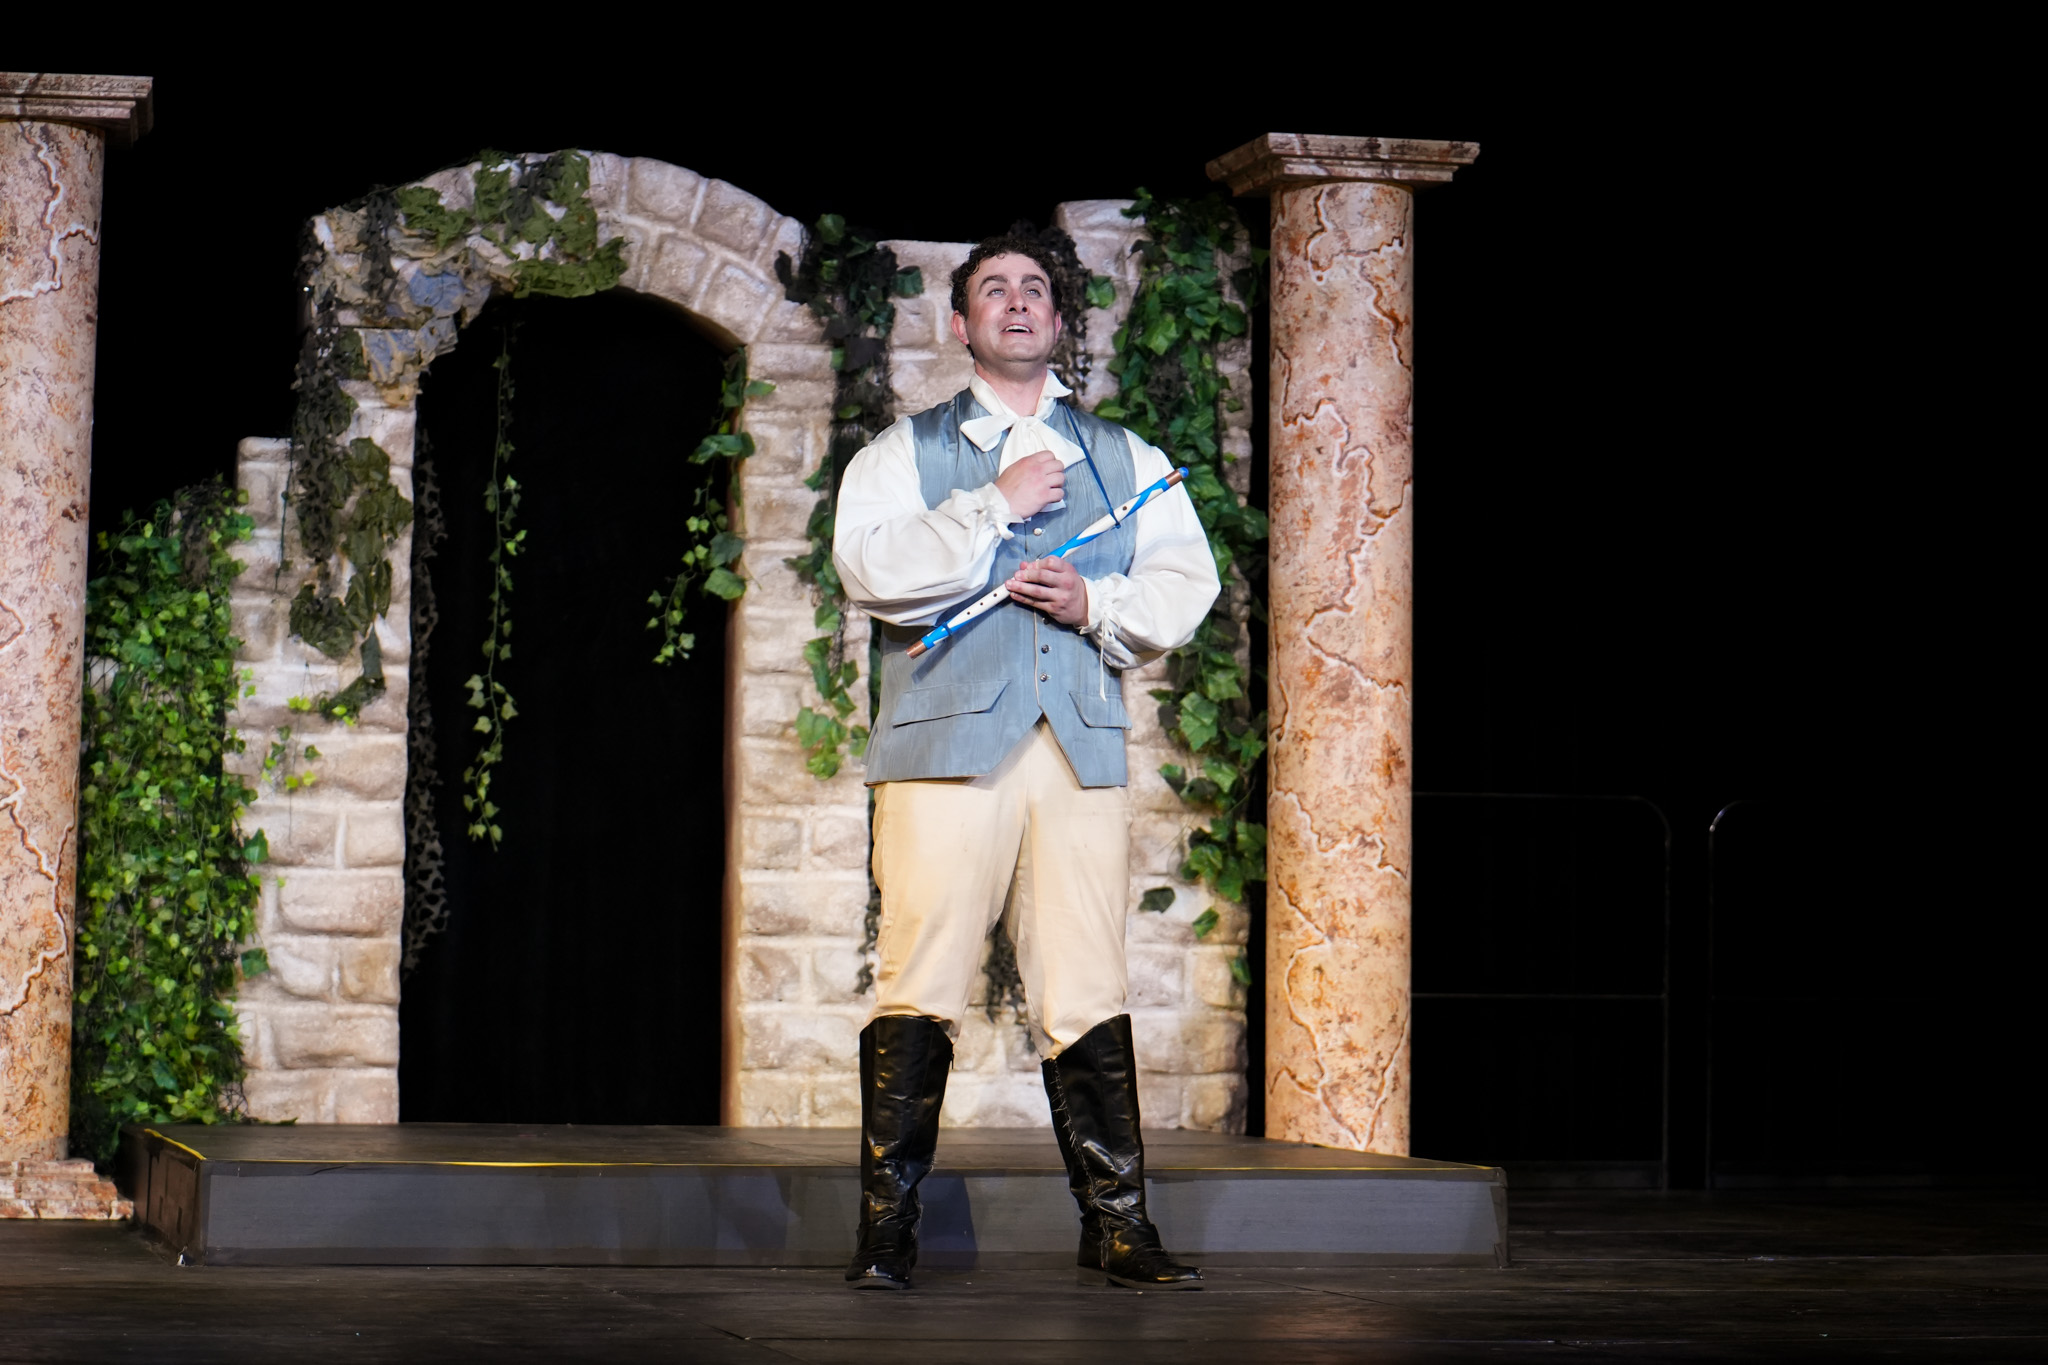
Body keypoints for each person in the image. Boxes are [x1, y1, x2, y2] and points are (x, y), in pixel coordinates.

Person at [832, 234, 1222, 1291]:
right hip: (944, 748)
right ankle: (886, 1230)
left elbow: (1184, 583)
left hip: (1075, 749)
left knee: (1087, 980)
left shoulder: (1125, 457)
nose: (1016, 303)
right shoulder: (905, 452)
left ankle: (1118, 1224)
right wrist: (992, 504)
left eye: (1034, 289)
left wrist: (1094, 600)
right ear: (960, 323)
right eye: (992, 290)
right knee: (920, 977)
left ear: (1057, 320)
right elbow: (869, 571)